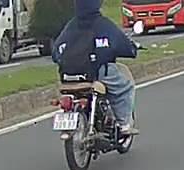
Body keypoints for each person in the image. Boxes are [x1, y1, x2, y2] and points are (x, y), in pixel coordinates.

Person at [52, 0, 139, 133]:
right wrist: (132, 49)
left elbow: (56, 52)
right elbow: (122, 44)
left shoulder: (70, 26)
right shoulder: (103, 25)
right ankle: (124, 124)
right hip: (95, 72)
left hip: (67, 76)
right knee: (125, 86)